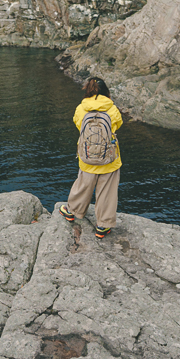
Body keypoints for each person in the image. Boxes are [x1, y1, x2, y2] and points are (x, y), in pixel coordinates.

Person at [59, 76, 123, 239]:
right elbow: (118, 124)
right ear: (106, 92)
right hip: (109, 159)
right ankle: (103, 225)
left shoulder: (81, 108)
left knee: (83, 184)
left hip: (87, 156)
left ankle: (72, 211)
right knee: (107, 191)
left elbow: (78, 124)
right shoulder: (112, 109)